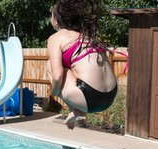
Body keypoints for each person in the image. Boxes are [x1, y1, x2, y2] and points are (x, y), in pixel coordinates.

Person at [46, 0, 118, 129]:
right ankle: (76, 110)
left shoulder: (56, 37)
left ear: (56, 19)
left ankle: (77, 109)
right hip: (110, 96)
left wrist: (55, 93)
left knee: (49, 64)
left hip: (90, 97)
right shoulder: (89, 36)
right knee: (70, 68)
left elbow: (57, 76)